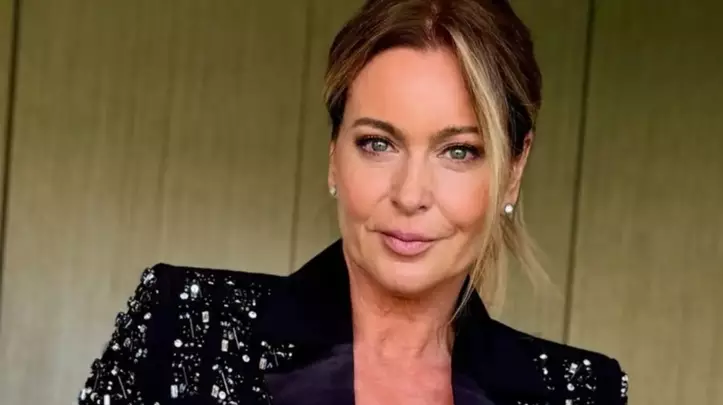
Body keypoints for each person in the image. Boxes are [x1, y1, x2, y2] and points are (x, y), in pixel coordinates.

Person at [77, 0, 629, 404]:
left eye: (459, 151)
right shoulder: (182, 329)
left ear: (514, 170)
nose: (410, 195)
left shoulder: (579, 392)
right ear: (334, 155)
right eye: (378, 144)